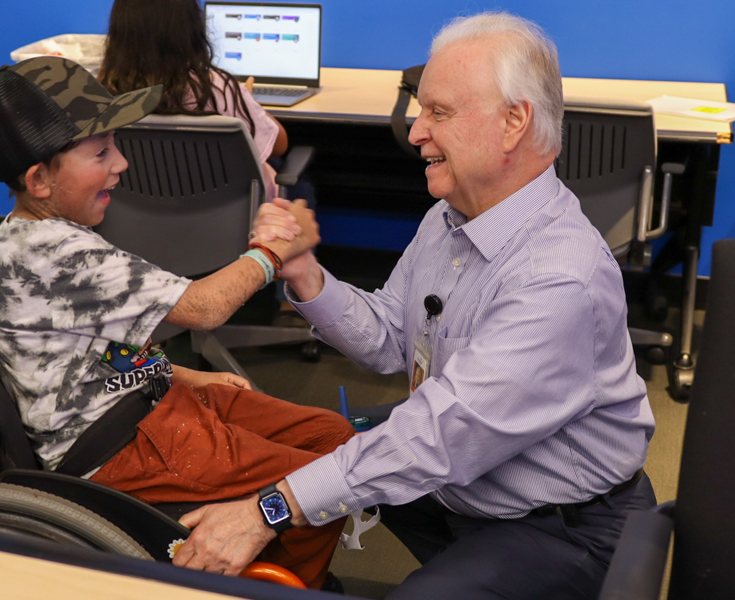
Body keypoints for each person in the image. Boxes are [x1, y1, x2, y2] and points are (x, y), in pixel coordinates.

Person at [171, 12, 657, 599]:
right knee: (308, 448)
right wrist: (302, 271)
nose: (416, 131)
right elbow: (390, 341)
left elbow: (437, 437)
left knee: (313, 504)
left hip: (559, 524)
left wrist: (267, 510)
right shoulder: (450, 218)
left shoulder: (558, 279)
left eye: (440, 113)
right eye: (422, 109)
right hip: (467, 484)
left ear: (514, 122)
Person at [0, 56, 353, 589]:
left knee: (333, 437)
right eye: (101, 152)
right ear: (39, 179)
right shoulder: (56, 251)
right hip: (119, 446)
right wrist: (270, 252)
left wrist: (189, 377)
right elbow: (203, 309)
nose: (121, 163)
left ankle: (268, 551)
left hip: (148, 404)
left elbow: (101, 353)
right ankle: (283, 582)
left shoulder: (48, 235)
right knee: (322, 483)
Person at [99, 0, 288, 202]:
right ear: (192, 29)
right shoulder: (218, 89)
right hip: (224, 214)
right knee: (300, 185)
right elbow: (279, 146)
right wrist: (247, 100)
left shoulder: (105, 91)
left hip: (136, 215)